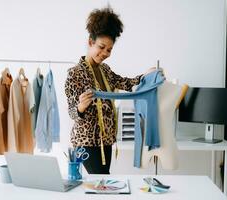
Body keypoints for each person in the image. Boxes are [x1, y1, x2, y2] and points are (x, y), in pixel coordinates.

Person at [64, 6, 158, 174]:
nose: (105, 53)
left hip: (106, 141)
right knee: (101, 182)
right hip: (86, 142)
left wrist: (147, 75)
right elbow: (72, 112)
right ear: (90, 42)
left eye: (109, 49)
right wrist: (81, 107)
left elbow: (126, 83)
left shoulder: (105, 70)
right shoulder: (75, 73)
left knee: (102, 184)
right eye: (101, 47)